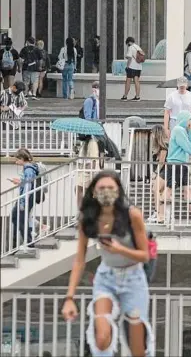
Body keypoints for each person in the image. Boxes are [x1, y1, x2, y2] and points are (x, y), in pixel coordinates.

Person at [61, 170, 154, 357]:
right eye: (101, 188)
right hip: (106, 277)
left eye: (110, 188)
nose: (106, 192)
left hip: (133, 277)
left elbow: (144, 255)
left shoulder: (132, 215)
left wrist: (120, 249)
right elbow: (80, 259)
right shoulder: (88, 219)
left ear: (118, 190)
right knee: (101, 337)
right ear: (94, 192)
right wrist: (69, 298)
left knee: (137, 346)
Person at [157, 111, 191, 224]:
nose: (190, 122)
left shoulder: (183, 130)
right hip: (175, 164)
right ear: (184, 119)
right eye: (189, 120)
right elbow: (187, 146)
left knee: (188, 190)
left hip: (182, 164)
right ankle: (160, 215)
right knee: (169, 189)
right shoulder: (178, 130)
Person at [9, 148, 39, 250]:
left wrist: (22, 202)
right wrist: (19, 182)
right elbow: (27, 183)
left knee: (20, 219)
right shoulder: (29, 168)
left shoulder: (29, 169)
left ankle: (29, 242)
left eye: (17, 159)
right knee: (15, 216)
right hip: (26, 197)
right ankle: (24, 239)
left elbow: (28, 186)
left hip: (26, 197)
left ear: (22, 158)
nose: (16, 162)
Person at [150, 124, 169, 221]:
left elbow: (161, 162)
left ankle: (158, 212)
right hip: (162, 171)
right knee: (160, 191)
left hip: (165, 171)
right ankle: (162, 213)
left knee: (155, 189)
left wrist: (155, 173)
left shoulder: (164, 145)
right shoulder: (160, 146)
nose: (151, 135)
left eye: (152, 133)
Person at [122, 36, 143, 101]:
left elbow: (129, 58)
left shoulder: (130, 47)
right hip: (139, 67)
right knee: (137, 81)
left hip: (132, 67)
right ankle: (137, 96)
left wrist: (127, 67)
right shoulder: (138, 47)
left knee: (128, 81)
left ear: (129, 42)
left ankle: (125, 96)